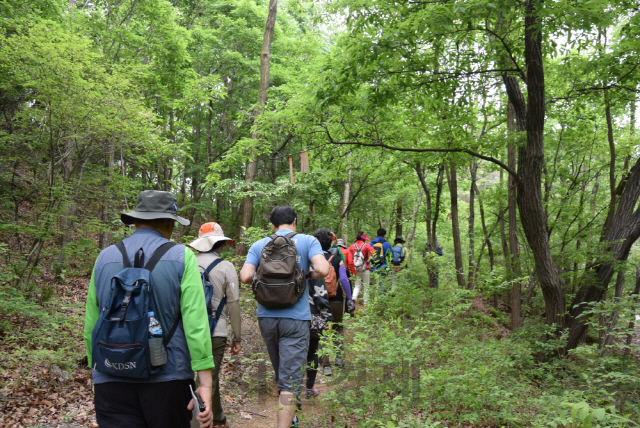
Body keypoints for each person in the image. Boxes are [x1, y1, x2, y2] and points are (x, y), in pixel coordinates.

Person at [83, 190, 214, 428]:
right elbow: (196, 323)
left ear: (135, 220)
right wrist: (205, 383)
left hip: (111, 375)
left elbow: (92, 321)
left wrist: (96, 367)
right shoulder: (181, 256)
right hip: (168, 377)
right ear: (168, 222)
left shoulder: (104, 258)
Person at [239, 206, 330, 428]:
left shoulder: (259, 244)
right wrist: (302, 276)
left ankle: (292, 416)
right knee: (290, 379)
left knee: (282, 372)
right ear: (295, 221)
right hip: (296, 318)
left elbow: (245, 276)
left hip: (266, 317)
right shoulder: (308, 241)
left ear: (272, 224)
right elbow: (323, 270)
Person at [189, 222, 242, 428]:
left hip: (188, 331)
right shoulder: (226, 267)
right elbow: (234, 305)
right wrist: (237, 337)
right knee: (207, 378)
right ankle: (197, 423)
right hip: (215, 332)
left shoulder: (188, 263)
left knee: (208, 377)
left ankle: (218, 418)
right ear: (219, 244)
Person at [315, 228, 354, 377]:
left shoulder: (312, 259)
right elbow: (344, 279)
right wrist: (349, 299)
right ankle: (339, 359)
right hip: (336, 298)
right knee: (338, 327)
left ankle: (325, 366)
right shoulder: (337, 259)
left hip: (319, 299)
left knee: (321, 330)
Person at [305, 275, 333, 399]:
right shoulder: (313, 266)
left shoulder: (285, 263)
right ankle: (309, 388)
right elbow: (320, 293)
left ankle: (288, 388)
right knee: (312, 352)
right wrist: (327, 316)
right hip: (312, 314)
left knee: (291, 352)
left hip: (288, 315)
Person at [347, 232, 373, 305]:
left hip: (356, 268)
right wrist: (369, 260)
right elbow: (373, 253)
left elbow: (347, 255)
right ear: (363, 239)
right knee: (366, 286)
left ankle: (354, 297)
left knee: (357, 285)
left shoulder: (352, 246)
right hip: (365, 268)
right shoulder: (366, 245)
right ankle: (366, 303)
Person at [370, 228, 393, 298]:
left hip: (373, 266)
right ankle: (381, 299)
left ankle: (375, 298)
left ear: (376, 234)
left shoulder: (371, 243)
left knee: (376, 283)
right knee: (382, 283)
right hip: (383, 266)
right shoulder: (386, 244)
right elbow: (391, 255)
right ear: (384, 235)